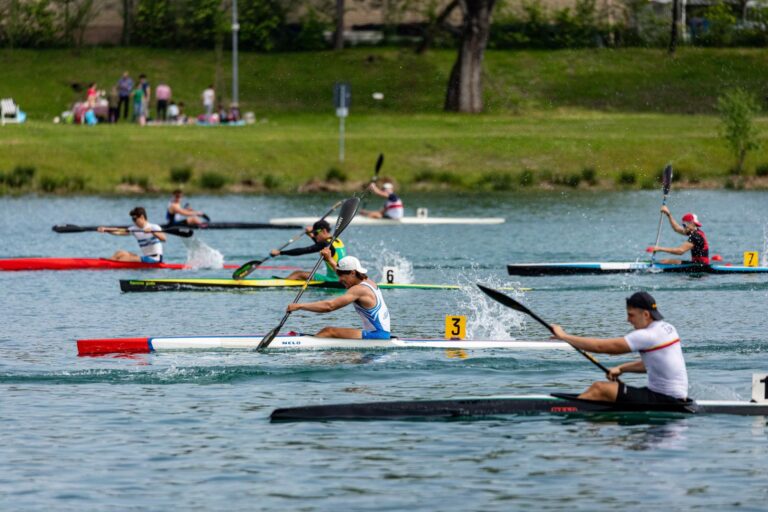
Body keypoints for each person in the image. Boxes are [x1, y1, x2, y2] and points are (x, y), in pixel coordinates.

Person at [550, 291, 688, 405]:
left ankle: (564, 410)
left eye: (631, 315)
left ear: (646, 314)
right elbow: (653, 364)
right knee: (604, 391)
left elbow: (601, 347)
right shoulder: (668, 328)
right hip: (673, 397)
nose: (628, 320)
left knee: (600, 388)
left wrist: (564, 336)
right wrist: (622, 368)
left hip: (665, 399)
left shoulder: (647, 335)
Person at [286, 255, 391, 340]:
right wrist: (329, 258)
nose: (339, 280)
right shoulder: (369, 282)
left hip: (377, 335)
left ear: (353, 273)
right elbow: (341, 270)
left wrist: (299, 306)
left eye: (341, 276)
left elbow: (329, 306)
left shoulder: (359, 290)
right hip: (381, 333)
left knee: (328, 332)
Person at [270, 219, 346, 282]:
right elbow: (321, 245)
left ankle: (282, 285)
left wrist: (280, 252)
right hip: (341, 278)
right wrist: (311, 236)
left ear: (324, 231)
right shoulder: (338, 241)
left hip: (333, 280)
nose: (315, 236)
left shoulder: (325, 244)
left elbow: (304, 250)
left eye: (316, 233)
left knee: (297, 274)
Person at [97, 207, 166, 263]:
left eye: (135, 219)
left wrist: (152, 232)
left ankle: (108, 264)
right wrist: (106, 229)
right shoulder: (134, 229)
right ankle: (106, 263)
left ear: (142, 217)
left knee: (123, 259)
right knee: (120, 253)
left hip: (155, 259)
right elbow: (118, 231)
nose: (133, 221)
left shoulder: (154, 227)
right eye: (132, 219)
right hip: (145, 258)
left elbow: (164, 238)